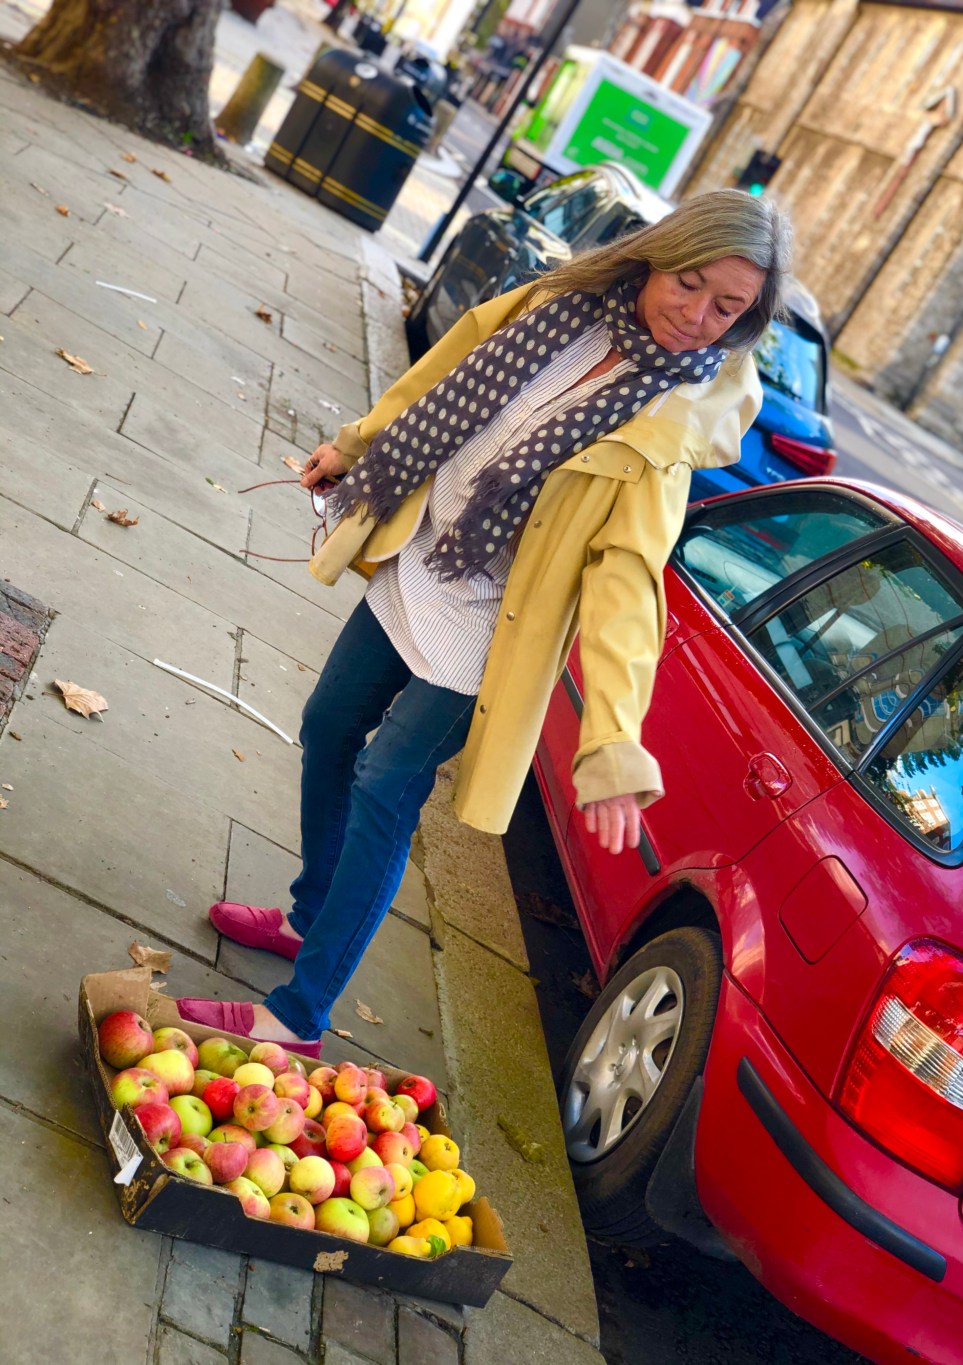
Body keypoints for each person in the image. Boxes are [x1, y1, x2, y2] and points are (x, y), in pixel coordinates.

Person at [178, 189, 793, 1058]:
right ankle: (311, 919)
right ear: (657, 255)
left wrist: (612, 741)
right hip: (423, 556)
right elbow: (444, 371)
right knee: (328, 725)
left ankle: (300, 1013)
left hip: (492, 625)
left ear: (744, 321)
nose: (696, 316)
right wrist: (357, 443)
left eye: (725, 307)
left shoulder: (667, 433)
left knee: (386, 784)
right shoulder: (561, 304)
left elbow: (627, 582)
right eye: (688, 283)